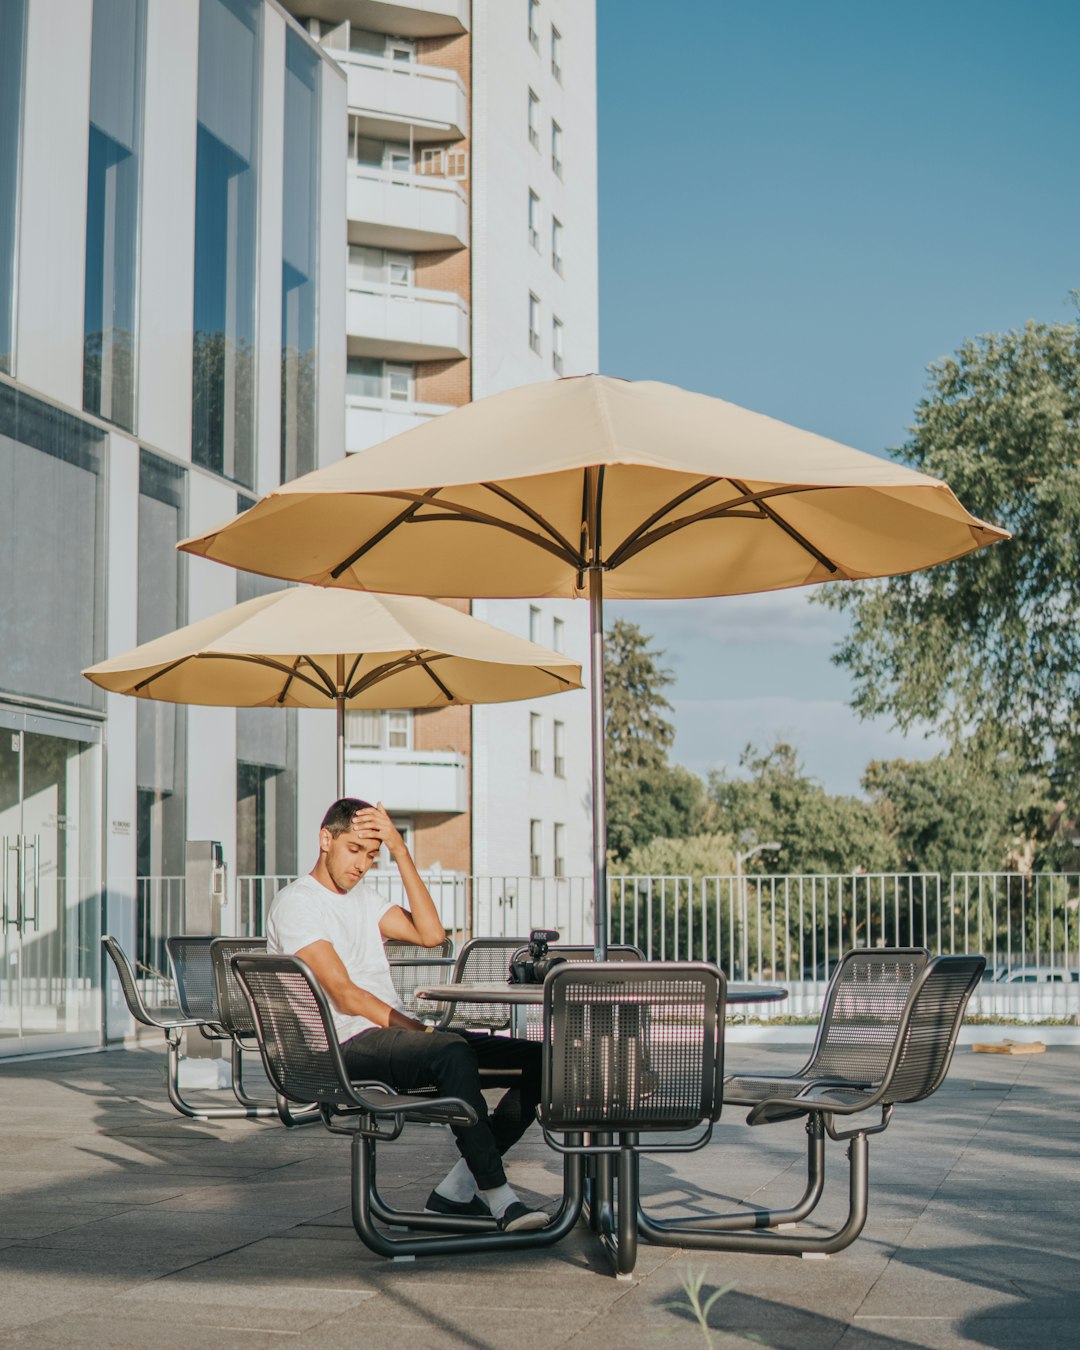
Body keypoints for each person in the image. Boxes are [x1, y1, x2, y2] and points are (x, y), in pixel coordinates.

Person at [266, 797, 548, 1233]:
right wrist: (419, 1029)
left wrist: (400, 850)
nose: (361, 865)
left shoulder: (363, 898)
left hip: (385, 1037)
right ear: (327, 840)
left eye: (371, 856)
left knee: (546, 1063)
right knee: (452, 1050)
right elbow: (344, 995)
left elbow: (431, 934)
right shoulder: (298, 904)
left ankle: (455, 1191)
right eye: (354, 850)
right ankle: (499, 1198)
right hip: (341, 1046)